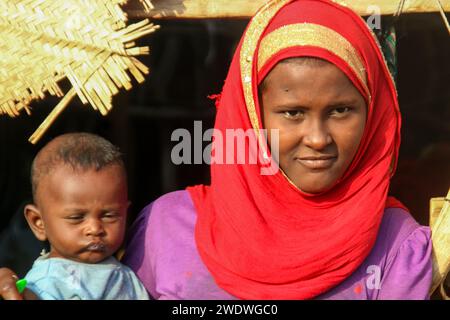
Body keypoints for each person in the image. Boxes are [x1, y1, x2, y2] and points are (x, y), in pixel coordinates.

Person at [1, 0, 432, 300]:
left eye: (341, 110)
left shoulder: (399, 247)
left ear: (374, 116)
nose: (317, 138)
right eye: (292, 113)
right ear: (248, 115)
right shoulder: (165, 230)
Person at [1, 133, 149, 300]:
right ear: (38, 222)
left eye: (109, 215)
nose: (95, 229)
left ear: (125, 214)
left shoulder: (124, 273)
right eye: (76, 217)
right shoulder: (46, 284)